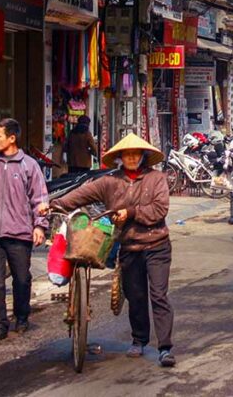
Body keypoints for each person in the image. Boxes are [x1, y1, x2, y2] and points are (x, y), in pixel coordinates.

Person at [49, 134, 176, 368]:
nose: (131, 157)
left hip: (157, 245)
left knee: (158, 295)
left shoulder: (157, 178)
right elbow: (80, 195)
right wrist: (53, 204)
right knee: (135, 296)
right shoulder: (109, 182)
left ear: (143, 156)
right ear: (120, 157)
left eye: (135, 153)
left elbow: (160, 209)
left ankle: (165, 348)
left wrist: (130, 212)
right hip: (129, 246)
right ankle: (139, 339)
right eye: (126, 154)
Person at [0, 119, 49, 342]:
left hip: (19, 233)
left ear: (12, 138)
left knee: (21, 278)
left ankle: (22, 317)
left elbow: (39, 198)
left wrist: (39, 226)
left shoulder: (29, 165)